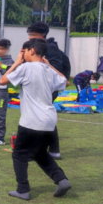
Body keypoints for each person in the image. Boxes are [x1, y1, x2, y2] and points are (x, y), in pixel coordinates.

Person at [0, 39, 72, 200]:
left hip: (32, 121)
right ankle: (61, 179)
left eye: (23, 52)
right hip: (49, 121)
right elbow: (66, 81)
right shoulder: (49, 70)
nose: (22, 55)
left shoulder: (25, 67)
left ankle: (23, 189)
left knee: (19, 154)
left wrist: (17, 62)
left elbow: (2, 81)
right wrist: (50, 65)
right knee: (40, 153)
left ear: (31, 51)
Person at [26, 22, 71, 159]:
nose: (30, 38)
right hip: (40, 87)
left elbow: (56, 71)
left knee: (42, 118)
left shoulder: (50, 49)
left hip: (48, 88)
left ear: (43, 35)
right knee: (41, 117)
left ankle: (47, 150)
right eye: (29, 35)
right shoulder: (37, 47)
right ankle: (51, 150)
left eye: (33, 35)